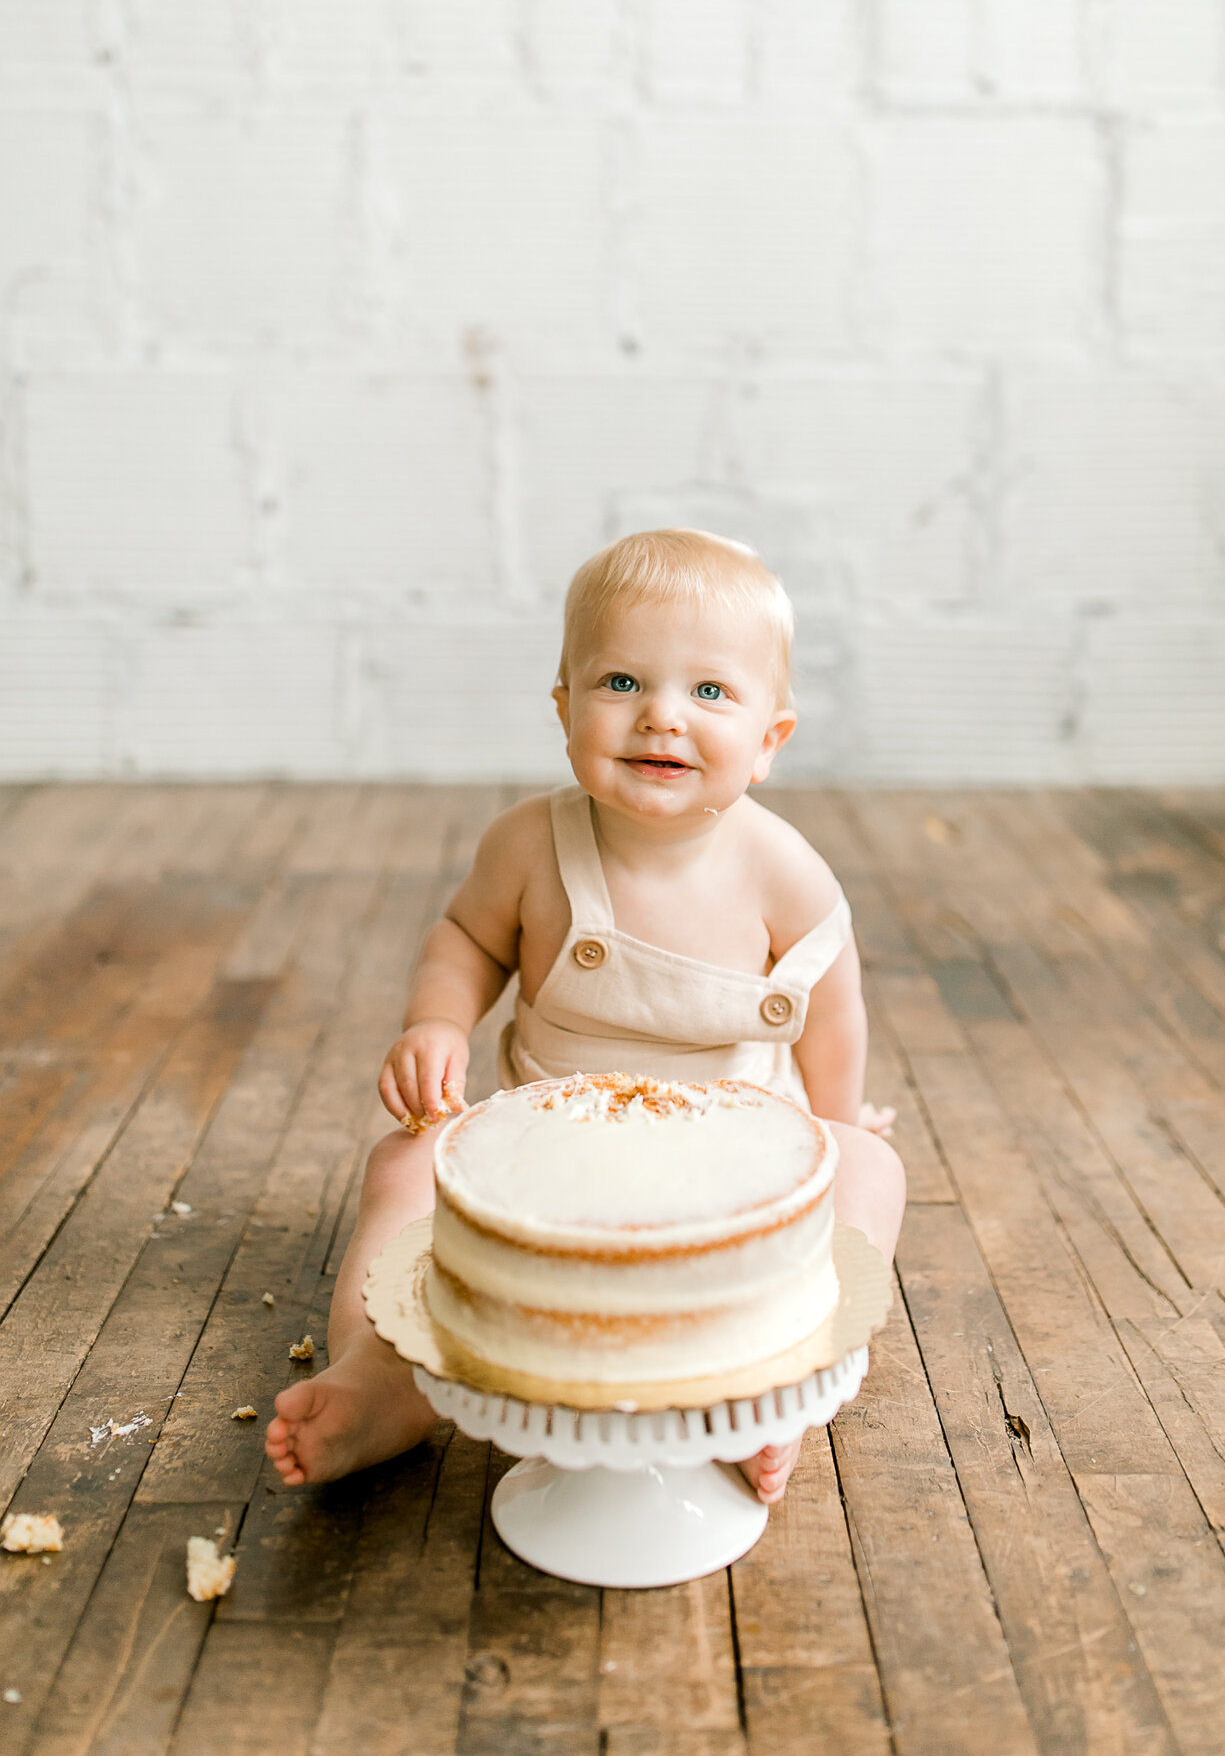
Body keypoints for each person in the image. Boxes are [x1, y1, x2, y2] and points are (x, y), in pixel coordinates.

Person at [266, 529, 907, 1502]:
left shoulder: (780, 869)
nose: (660, 718)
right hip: (547, 1151)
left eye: (709, 692)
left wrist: (832, 1122)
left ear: (769, 741)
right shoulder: (530, 844)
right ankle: (384, 1375)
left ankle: (775, 1391)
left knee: (871, 1168)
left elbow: (833, 1005)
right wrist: (439, 1024)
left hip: (737, 1167)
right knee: (403, 1165)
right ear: (565, 708)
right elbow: (467, 941)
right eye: (620, 683)